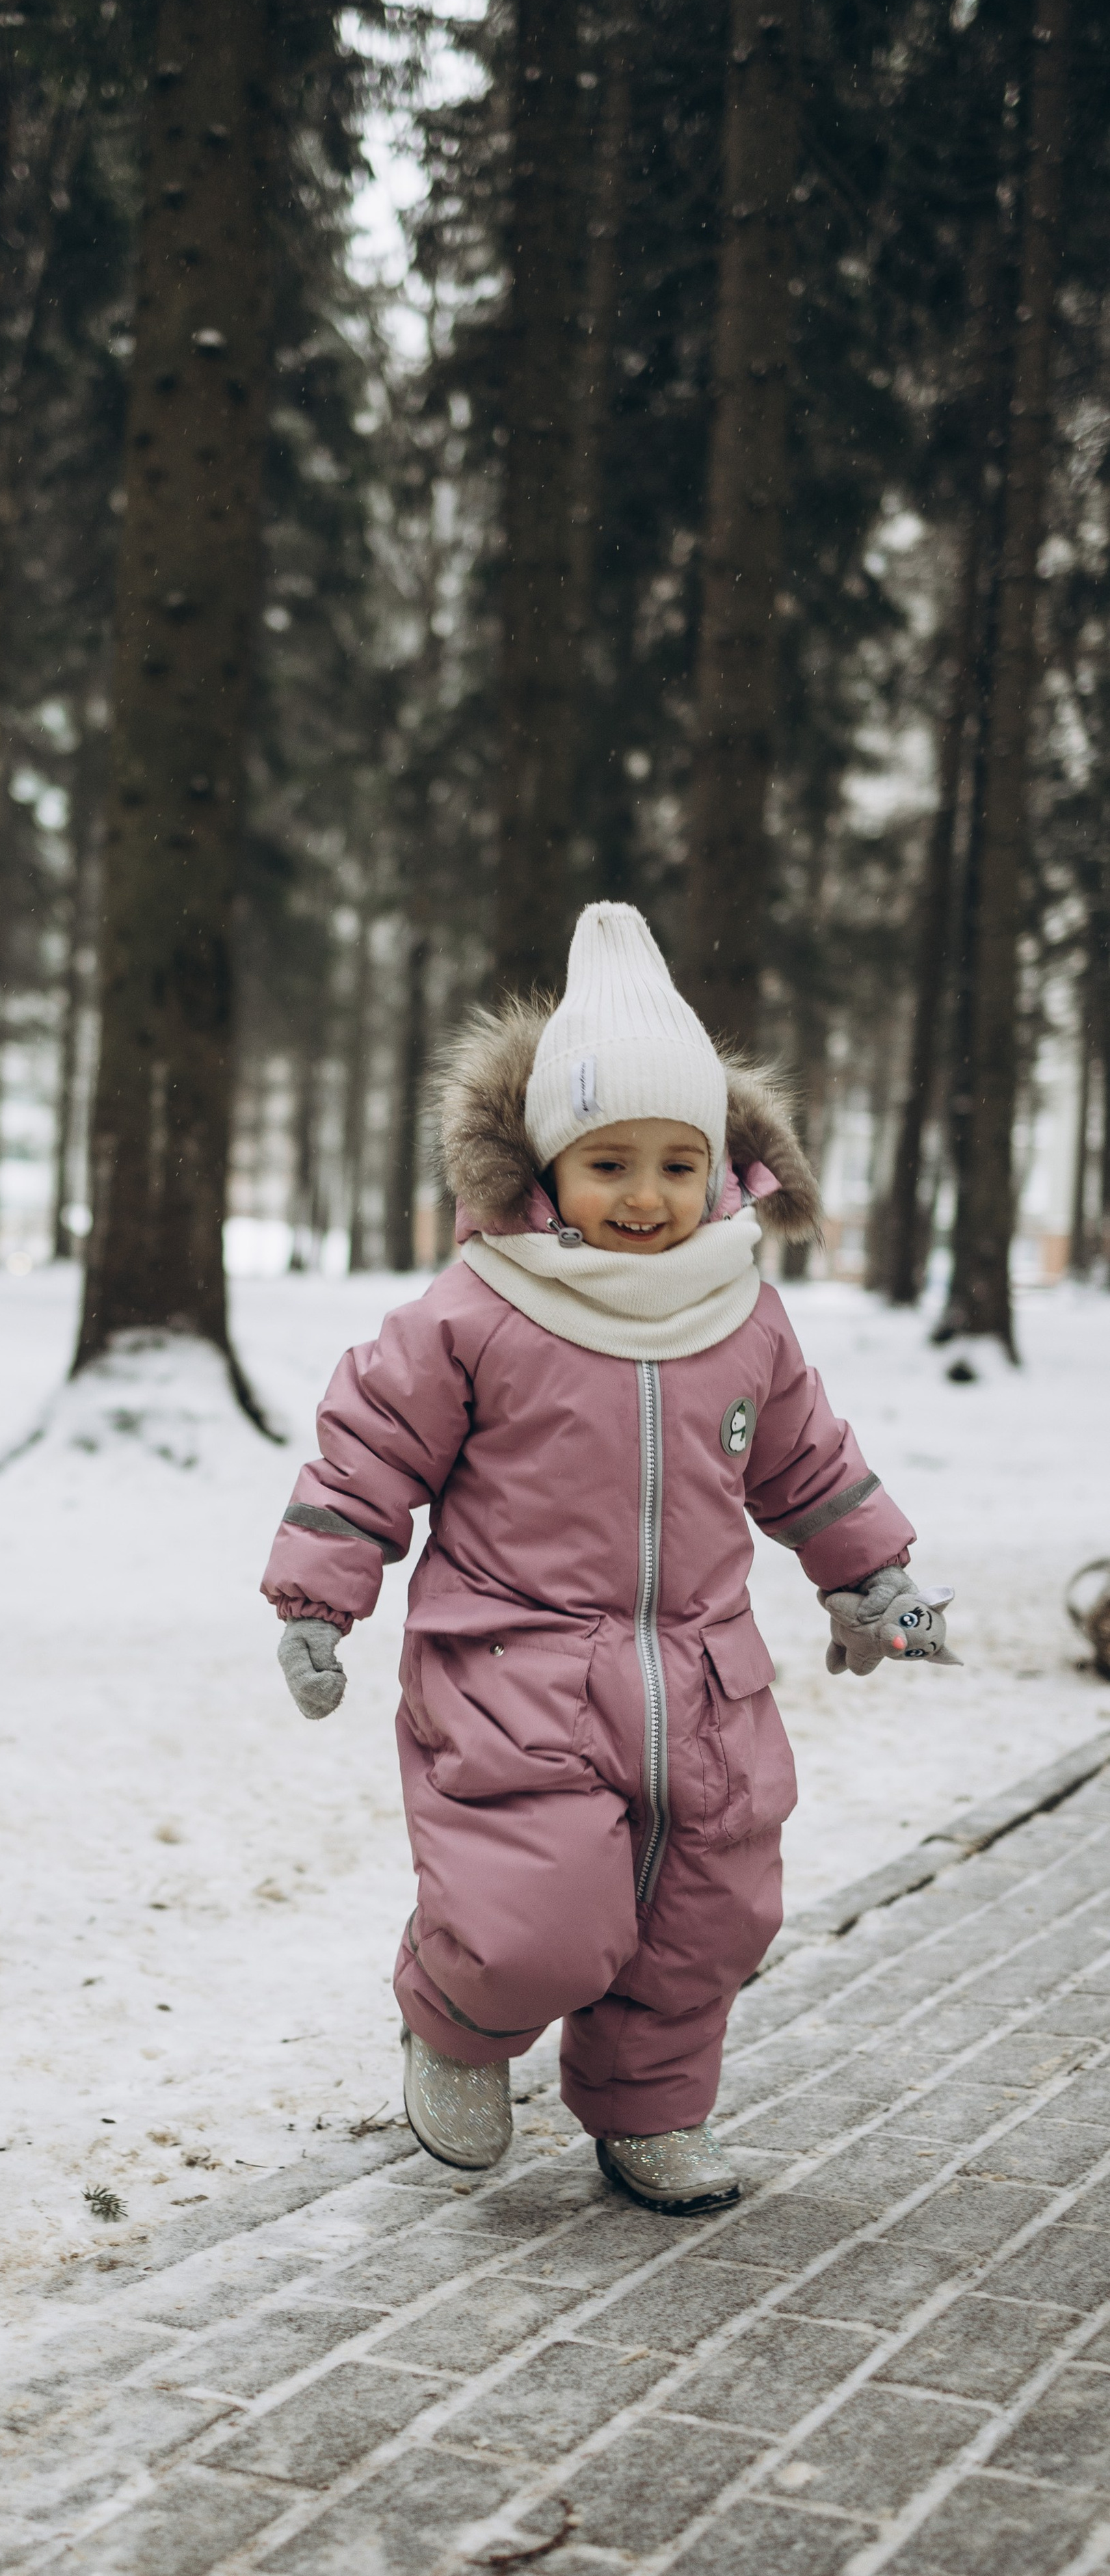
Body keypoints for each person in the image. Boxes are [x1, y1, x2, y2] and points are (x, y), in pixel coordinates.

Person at [261, 903, 955, 2216]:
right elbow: (371, 1449)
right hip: (516, 1669)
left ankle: (649, 2108)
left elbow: (806, 1462)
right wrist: (319, 1596)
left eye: (677, 1165)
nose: (645, 1198)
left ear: (723, 1172)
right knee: (536, 1918)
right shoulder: (481, 1309)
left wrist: (872, 1576)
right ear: (544, 1170)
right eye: (610, 1163)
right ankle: (458, 2021)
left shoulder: (743, 1313)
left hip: (701, 1680)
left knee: (710, 1919)